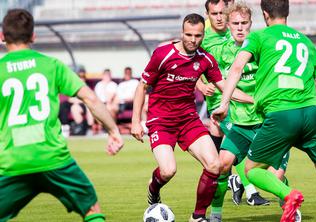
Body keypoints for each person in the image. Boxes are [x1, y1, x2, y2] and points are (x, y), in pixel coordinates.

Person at [212, 1, 316, 221]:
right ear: (288, 12)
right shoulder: (307, 43)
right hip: (312, 112)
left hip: (281, 114)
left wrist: (224, 103)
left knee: (252, 171)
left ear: (265, 14)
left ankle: (289, 195)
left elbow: (237, 68)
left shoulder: (259, 37)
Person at [0, 9, 123, 222]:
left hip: (12, 161)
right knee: (92, 209)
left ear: (2, 36)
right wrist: (113, 130)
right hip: (53, 158)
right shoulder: (52, 65)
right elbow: (91, 99)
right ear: (33, 36)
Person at [131, 13, 253, 222]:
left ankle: (197, 217)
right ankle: (154, 188)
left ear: (203, 35)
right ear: (182, 32)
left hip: (188, 119)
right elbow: (142, 86)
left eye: (197, 36)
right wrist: (135, 121)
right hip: (161, 121)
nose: (192, 40)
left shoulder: (205, 59)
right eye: (188, 34)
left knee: (214, 165)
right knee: (168, 171)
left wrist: (254, 100)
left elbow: (225, 87)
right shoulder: (163, 54)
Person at [209, 3, 296, 221]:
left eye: (244, 23)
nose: (240, 28)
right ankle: (215, 216)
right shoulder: (221, 51)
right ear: (228, 25)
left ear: (251, 24)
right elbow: (222, 84)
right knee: (221, 166)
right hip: (239, 123)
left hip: (266, 123)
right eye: (235, 23)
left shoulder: (263, 46)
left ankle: (288, 197)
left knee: (270, 178)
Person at [197, 0, 268, 206]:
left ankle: (234, 181)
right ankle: (250, 191)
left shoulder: (237, 33)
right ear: (207, 15)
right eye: (214, 13)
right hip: (220, 102)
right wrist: (201, 86)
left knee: (229, 154)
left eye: (222, 13)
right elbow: (192, 65)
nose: (218, 17)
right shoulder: (203, 37)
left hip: (242, 102)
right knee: (233, 149)